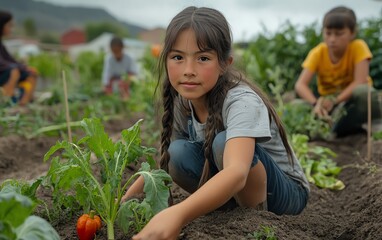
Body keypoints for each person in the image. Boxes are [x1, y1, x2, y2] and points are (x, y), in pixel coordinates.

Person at [122, 6, 309, 240]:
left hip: (285, 194)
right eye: (178, 57)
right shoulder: (183, 102)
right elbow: (163, 164)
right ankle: (230, 212)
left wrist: (178, 214)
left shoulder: (241, 101)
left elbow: (238, 172)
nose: (189, 71)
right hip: (237, 187)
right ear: (166, 58)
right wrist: (125, 201)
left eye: (203, 58)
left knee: (223, 142)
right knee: (176, 154)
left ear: (224, 63)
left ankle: (253, 221)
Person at [295, 6, 381, 137]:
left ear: (352, 33)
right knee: (296, 107)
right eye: (328, 33)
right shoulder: (318, 52)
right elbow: (300, 85)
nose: (332, 39)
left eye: (339, 34)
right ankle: (338, 128)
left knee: (364, 92)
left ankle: (373, 124)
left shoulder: (358, 47)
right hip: (328, 106)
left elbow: (360, 81)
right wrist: (316, 103)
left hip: (352, 102)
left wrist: (335, 101)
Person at [0, 10, 38, 106]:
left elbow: (10, 60)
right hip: (3, 73)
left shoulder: (1, 45)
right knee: (14, 71)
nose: (11, 29)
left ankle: (23, 104)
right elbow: (2, 63)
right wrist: (18, 67)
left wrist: (24, 67)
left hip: (5, 71)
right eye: (9, 25)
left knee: (31, 73)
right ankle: (6, 102)